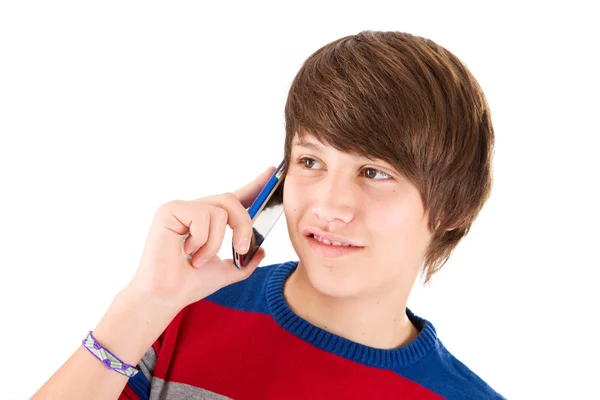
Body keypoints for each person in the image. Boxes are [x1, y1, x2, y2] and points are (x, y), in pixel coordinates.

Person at [33, 30, 505, 399]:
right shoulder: (181, 315)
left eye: (375, 172)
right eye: (311, 162)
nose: (329, 206)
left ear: (453, 207)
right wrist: (143, 303)